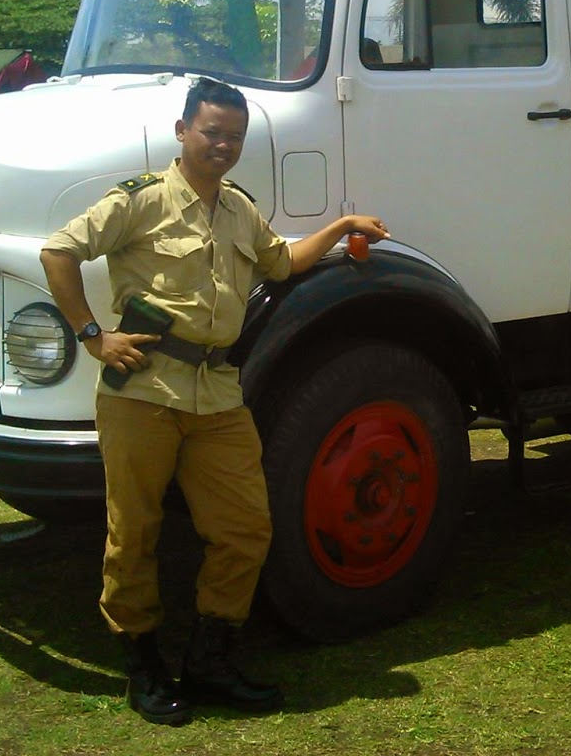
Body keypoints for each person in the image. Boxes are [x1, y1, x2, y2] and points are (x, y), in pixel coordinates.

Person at [40, 76, 389, 725]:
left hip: (218, 393)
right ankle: (143, 665)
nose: (223, 144)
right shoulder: (140, 200)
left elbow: (282, 262)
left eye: (233, 135)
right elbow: (59, 252)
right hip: (143, 388)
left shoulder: (237, 208)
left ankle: (209, 660)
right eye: (211, 131)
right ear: (183, 131)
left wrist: (340, 225)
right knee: (134, 530)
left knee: (245, 528)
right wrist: (93, 334)